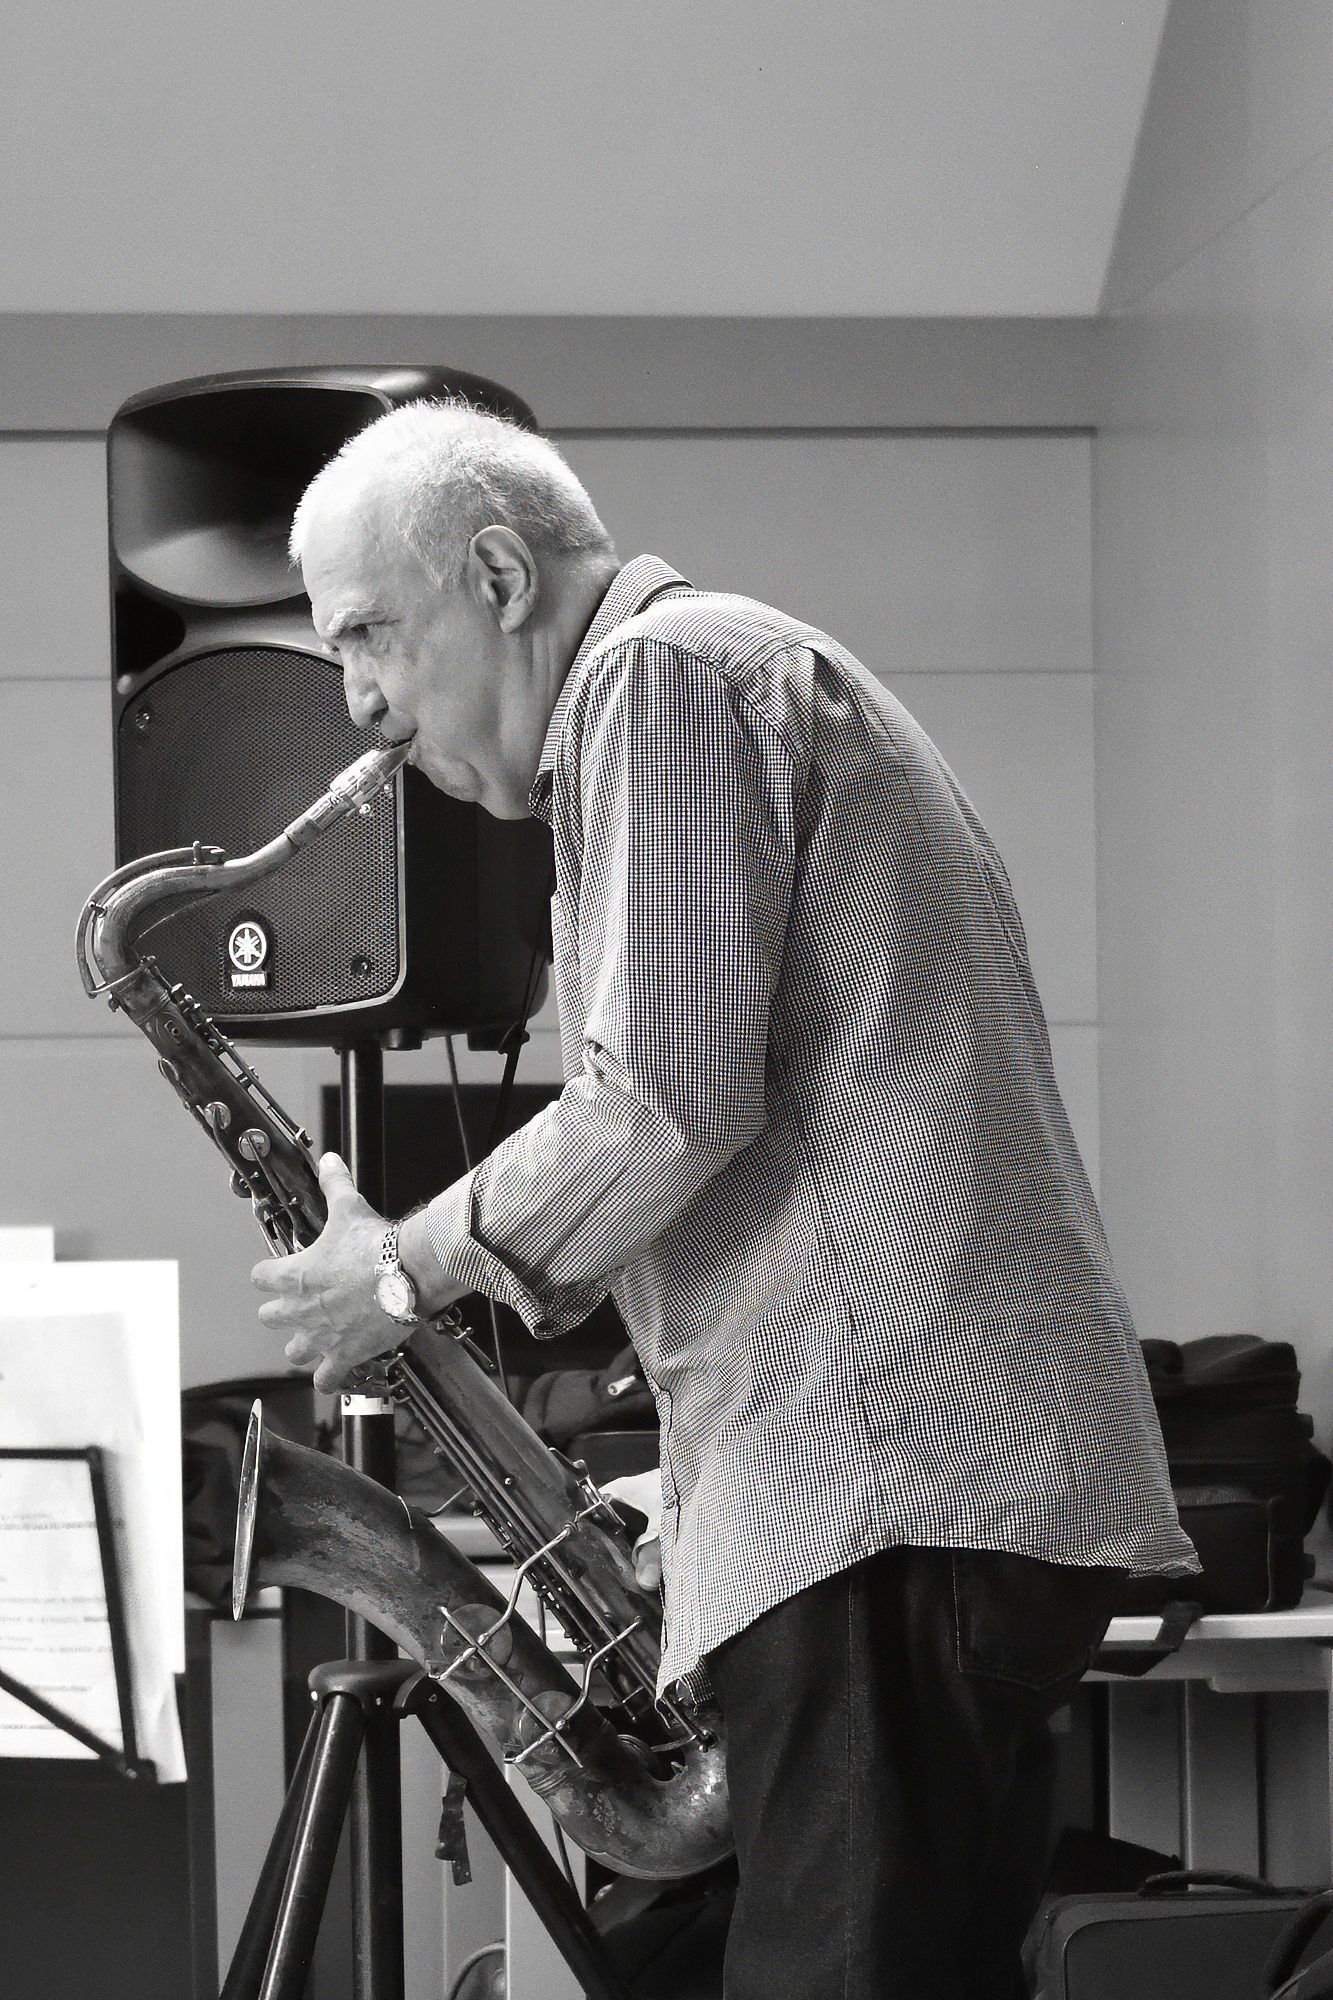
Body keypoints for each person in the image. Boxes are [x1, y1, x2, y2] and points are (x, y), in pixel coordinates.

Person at [252, 399, 1199, 2000]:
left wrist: (400, 1273)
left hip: (886, 1513)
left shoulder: (661, 680)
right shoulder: (711, 682)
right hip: (899, 1502)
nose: (357, 700)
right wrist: (682, 1503)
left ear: (499, 577)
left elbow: (660, 1103)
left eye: (367, 634)